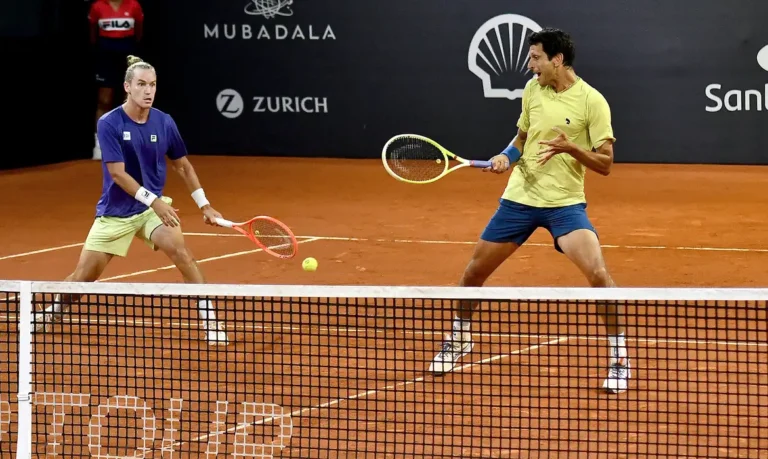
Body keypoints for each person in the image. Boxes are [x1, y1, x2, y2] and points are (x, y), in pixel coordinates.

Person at [428, 28, 630, 393]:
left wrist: (571, 149)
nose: (529, 64)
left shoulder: (592, 102)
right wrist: (506, 158)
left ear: (558, 60)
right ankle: (459, 339)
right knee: (473, 274)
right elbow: (521, 139)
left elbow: (606, 164)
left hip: (564, 205)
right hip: (519, 199)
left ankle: (619, 359)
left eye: (536, 57)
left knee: (599, 276)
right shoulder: (533, 90)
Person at [34, 55, 229, 345]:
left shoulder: (164, 122)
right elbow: (117, 174)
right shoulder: (109, 123)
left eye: (152, 84)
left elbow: (183, 166)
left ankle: (210, 319)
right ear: (127, 86)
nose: (148, 90)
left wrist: (204, 205)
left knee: (182, 254)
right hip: (117, 212)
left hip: (152, 210)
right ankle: (55, 310)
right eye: (141, 84)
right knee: (82, 279)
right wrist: (156, 202)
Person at [88, 0, 144, 160]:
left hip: (127, 53)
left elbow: (139, 34)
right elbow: (93, 34)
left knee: (129, 100)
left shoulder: (133, 5)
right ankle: (99, 145)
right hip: (106, 55)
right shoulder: (97, 6)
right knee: (104, 99)